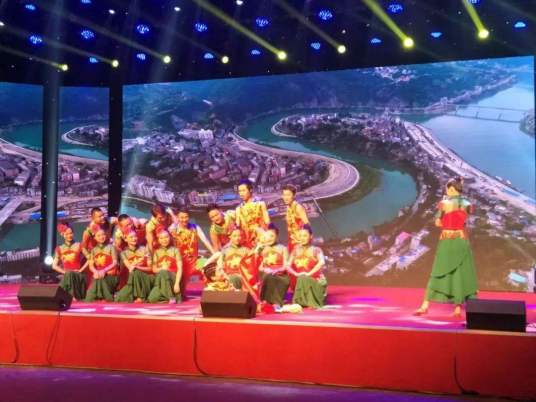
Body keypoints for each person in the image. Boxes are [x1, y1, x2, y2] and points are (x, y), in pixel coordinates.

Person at [415, 177, 477, 317]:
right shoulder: (468, 204)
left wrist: (446, 221)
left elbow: (438, 223)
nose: (446, 191)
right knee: (459, 273)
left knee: (438, 271)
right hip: (462, 240)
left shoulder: (444, 204)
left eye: (447, 189)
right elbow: (465, 221)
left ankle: (425, 305)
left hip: (447, 240)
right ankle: (457, 308)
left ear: (452, 189)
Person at [168, 208, 214, 297]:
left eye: (186, 217)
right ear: (177, 217)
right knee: (180, 293)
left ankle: (211, 292)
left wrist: (214, 253)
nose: (184, 220)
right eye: (181, 217)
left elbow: (205, 240)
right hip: (180, 262)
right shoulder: (173, 229)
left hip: (194, 261)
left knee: (209, 266)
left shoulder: (195, 227)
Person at [287, 225, 327, 308]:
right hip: (302, 280)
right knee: (301, 277)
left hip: (316, 280)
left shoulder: (316, 250)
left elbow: (322, 262)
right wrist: (295, 273)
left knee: (302, 277)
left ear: (311, 236)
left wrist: (309, 273)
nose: (302, 238)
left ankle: (307, 301)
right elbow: (287, 265)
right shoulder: (295, 250)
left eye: (305, 235)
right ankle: (303, 301)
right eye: (300, 236)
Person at [115, 230, 154, 303]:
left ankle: (141, 297)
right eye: (131, 237)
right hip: (132, 280)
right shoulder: (124, 253)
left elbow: (150, 268)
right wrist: (139, 261)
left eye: (135, 236)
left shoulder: (144, 249)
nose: (134, 238)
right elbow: (130, 268)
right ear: (126, 239)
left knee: (136, 271)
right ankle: (137, 294)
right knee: (119, 298)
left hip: (146, 278)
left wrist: (137, 267)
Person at [52, 222, 88, 301]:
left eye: (71, 233)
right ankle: (70, 296)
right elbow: (54, 266)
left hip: (78, 275)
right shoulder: (59, 248)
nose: (70, 235)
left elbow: (90, 259)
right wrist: (64, 272)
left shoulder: (79, 245)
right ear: (62, 234)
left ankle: (69, 296)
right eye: (67, 234)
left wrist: (81, 270)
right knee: (69, 274)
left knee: (69, 275)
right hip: (67, 275)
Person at [147, 229, 182, 304]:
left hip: (173, 278)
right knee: (151, 299)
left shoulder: (175, 250)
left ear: (170, 238)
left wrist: (177, 284)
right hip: (161, 280)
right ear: (158, 240)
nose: (164, 240)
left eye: (166, 237)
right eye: (161, 238)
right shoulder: (157, 252)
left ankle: (171, 297)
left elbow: (180, 269)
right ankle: (169, 298)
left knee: (163, 272)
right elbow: (154, 269)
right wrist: (161, 268)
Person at [258, 224, 290, 306]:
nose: (269, 238)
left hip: (280, 275)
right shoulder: (262, 249)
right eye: (267, 236)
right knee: (268, 276)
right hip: (267, 274)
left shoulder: (283, 248)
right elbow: (260, 267)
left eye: (272, 236)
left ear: (277, 236)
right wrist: (265, 269)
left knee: (271, 277)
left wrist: (277, 270)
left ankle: (275, 302)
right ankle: (266, 302)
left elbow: (286, 266)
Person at [85, 228, 119, 302]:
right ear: (95, 238)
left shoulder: (111, 247)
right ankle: (101, 297)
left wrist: (104, 270)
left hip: (110, 275)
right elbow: (91, 266)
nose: (101, 237)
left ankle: (103, 297)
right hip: (98, 275)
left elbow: (115, 262)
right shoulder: (94, 250)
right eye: (98, 235)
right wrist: (95, 272)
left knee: (100, 279)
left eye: (103, 234)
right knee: (98, 278)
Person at [235, 179, 270, 248]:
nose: (241, 194)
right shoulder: (239, 209)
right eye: (239, 191)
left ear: (250, 190)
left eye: (243, 190)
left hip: (262, 240)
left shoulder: (260, 204)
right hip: (247, 243)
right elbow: (238, 228)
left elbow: (268, 222)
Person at [282, 184, 310, 252]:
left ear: (294, 195)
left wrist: (304, 242)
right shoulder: (288, 207)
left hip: (300, 241)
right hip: (292, 239)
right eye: (284, 195)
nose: (285, 197)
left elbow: (307, 225)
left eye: (288, 195)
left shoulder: (298, 207)